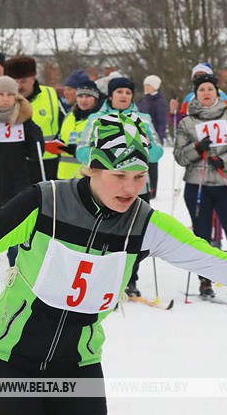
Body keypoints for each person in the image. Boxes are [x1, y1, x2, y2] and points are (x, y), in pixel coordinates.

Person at [0, 111, 227, 415]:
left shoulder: (144, 224)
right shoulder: (43, 204)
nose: (131, 188)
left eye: (139, 176)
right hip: (8, 359)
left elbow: (218, 263)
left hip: (78, 365)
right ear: (93, 167)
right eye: (120, 175)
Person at [76, 77, 164, 297]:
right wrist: (109, 155)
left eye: (128, 92)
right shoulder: (97, 118)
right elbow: (81, 152)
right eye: (119, 92)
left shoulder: (142, 118)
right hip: (104, 188)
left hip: (136, 188)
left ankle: (130, 280)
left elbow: (156, 153)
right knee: (101, 234)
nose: (124, 95)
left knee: (134, 235)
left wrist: (142, 146)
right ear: (111, 95)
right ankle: (98, 280)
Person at [174, 73, 227, 296]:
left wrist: (224, 161)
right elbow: (179, 156)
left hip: (225, 185)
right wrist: (196, 149)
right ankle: (204, 280)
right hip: (197, 186)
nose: (206, 93)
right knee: (202, 235)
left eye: (210, 89)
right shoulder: (187, 122)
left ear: (217, 92)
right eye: (201, 90)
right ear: (195, 95)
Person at [0, 76, 44, 303]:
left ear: (16, 96)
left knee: (15, 244)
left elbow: (34, 155)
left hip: (16, 190)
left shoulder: (24, 121)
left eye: (9, 94)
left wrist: (35, 138)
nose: (5, 98)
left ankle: (17, 283)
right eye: (1, 94)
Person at [4, 56, 64, 182]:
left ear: (33, 77)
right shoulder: (1, 100)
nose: (19, 86)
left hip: (47, 164)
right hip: (13, 165)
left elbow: (66, 124)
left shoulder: (50, 95)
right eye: (15, 82)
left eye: (23, 81)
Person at [56, 80, 102, 180]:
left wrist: (77, 150)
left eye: (88, 96)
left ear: (95, 99)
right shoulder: (69, 116)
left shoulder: (100, 119)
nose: (83, 100)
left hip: (87, 176)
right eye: (80, 96)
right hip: (64, 175)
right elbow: (62, 137)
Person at [138, 74, 168, 199]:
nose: (146, 88)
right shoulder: (143, 100)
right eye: (145, 85)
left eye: (149, 85)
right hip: (141, 136)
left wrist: (159, 139)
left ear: (155, 86)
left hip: (153, 137)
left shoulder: (159, 101)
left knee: (152, 164)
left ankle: (153, 189)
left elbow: (161, 121)